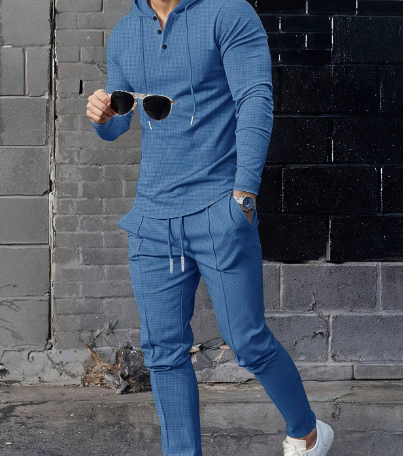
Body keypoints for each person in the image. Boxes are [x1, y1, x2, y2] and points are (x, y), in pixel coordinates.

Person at [86, 0, 334, 454]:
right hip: (152, 219)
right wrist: (102, 116)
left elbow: (254, 100)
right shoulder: (124, 32)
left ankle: (309, 432)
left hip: (219, 209)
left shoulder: (228, 13)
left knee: (248, 341)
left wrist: (243, 197)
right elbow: (119, 122)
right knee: (163, 353)